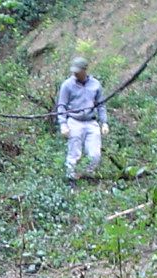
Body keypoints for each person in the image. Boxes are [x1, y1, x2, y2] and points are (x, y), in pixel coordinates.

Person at [57, 57, 109, 186]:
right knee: (74, 153)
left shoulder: (95, 84)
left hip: (91, 122)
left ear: (84, 70)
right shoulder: (67, 85)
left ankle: (87, 176)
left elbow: (101, 105)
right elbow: (62, 105)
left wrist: (104, 122)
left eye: (78, 71)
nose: (75, 73)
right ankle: (71, 180)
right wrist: (63, 124)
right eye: (74, 71)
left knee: (95, 154)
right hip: (74, 121)